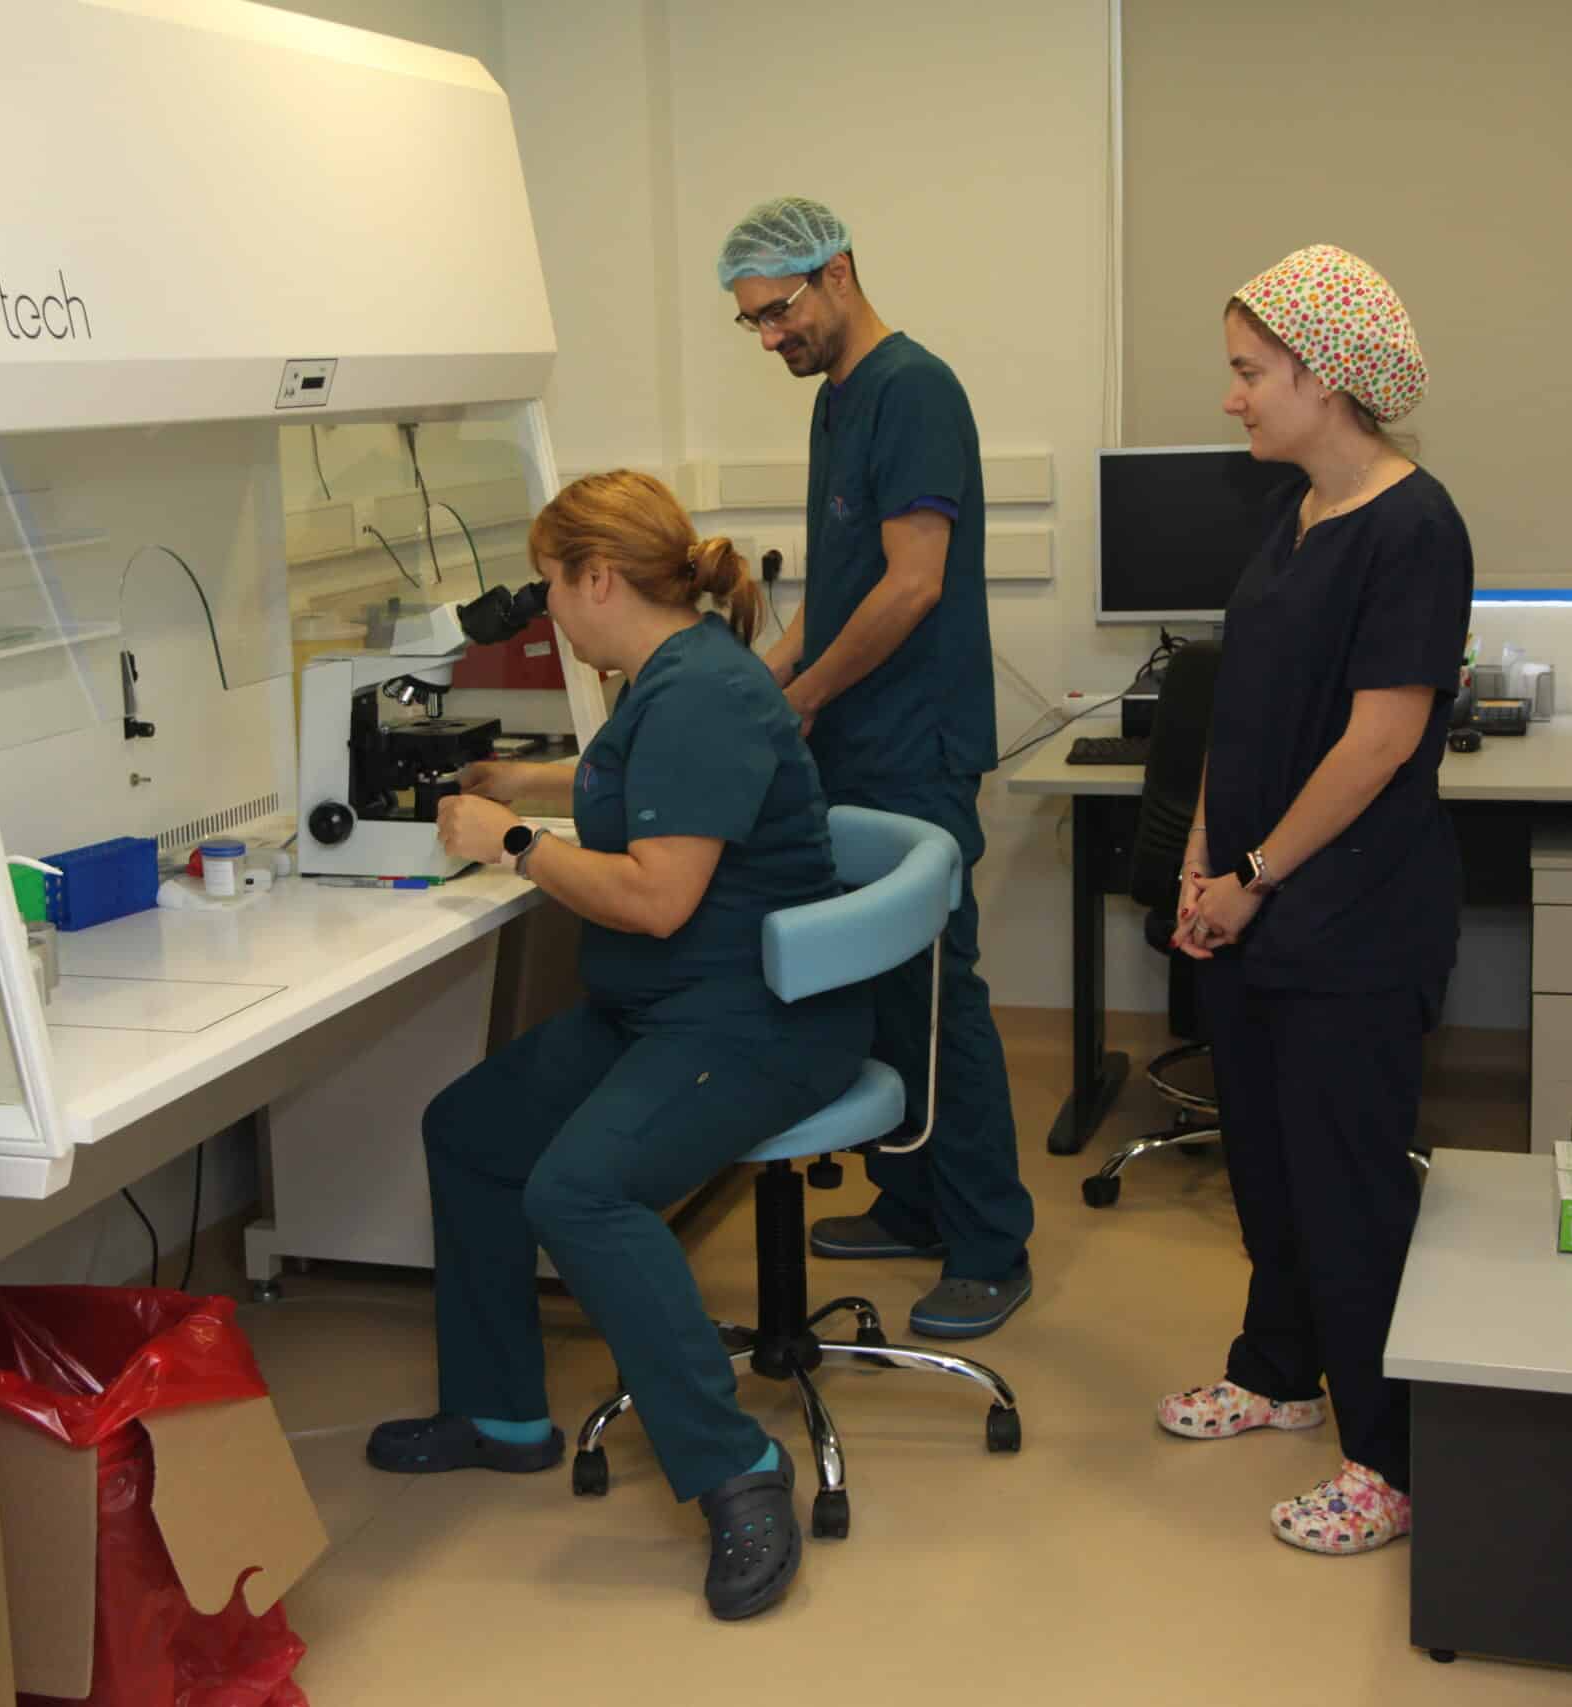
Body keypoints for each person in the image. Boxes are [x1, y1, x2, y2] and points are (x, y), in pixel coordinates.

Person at [367, 470, 870, 1622]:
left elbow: (654, 898)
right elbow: (644, 782)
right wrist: (527, 779)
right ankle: (499, 1412)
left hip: (759, 1019)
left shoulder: (699, 693)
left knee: (579, 1191)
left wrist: (513, 839)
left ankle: (739, 1473)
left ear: (598, 578)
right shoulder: (673, 673)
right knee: (471, 1131)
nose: (544, 607)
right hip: (668, 1007)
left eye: (549, 583)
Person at [1162, 245, 1472, 1556]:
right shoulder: (1292, 514)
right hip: (1254, 903)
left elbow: (1379, 740)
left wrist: (1254, 876)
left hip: (1350, 919)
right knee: (1269, 1163)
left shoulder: (1415, 527)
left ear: (1326, 376)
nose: (1232, 397)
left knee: (1348, 1187)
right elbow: (1239, 712)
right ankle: (1280, 1371)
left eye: (1250, 372)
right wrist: (1200, 861)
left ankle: (1387, 1458)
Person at [715, 195, 1035, 1340]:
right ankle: (910, 1203)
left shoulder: (913, 390)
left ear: (838, 272)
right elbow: (838, 585)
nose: (770, 338)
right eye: (751, 322)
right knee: (879, 984)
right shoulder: (837, 400)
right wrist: (757, 683)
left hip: (914, 748)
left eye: (779, 312)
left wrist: (802, 696)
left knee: (937, 990)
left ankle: (990, 1245)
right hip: (859, 741)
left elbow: (911, 585)